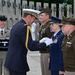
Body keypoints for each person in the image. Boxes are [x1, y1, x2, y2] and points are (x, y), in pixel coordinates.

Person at [4, 9, 47, 75]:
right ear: (29, 17)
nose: (34, 22)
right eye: (34, 19)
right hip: (18, 64)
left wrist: (39, 42)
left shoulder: (17, 25)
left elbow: (24, 41)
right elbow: (30, 46)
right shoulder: (24, 27)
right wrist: (45, 44)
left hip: (12, 62)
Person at [39, 8, 54, 75]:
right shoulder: (44, 25)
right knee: (44, 72)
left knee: (47, 72)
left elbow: (52, 41)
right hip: (43, 51)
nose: (40, 17)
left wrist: (51, 56)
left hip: (47, 53)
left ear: (47, 16)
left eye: (42, 15)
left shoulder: (50, 26)